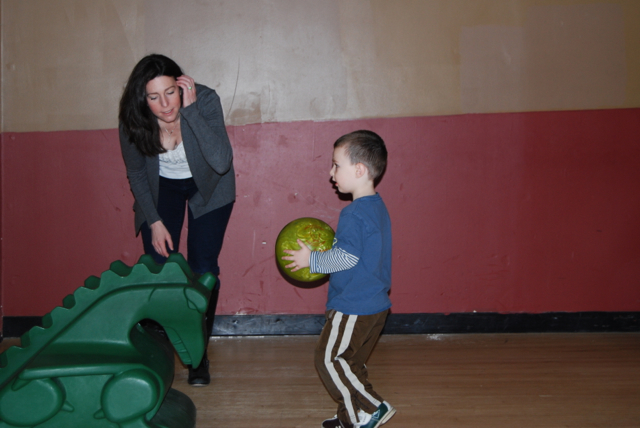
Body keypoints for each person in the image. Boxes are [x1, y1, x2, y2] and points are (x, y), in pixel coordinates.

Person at [118, 54, 235, 386]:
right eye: (153, 97)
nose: (164, 104)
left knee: (204, 267)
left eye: (170, 92)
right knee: (159, 265)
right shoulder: (132, 117)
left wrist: (191, 112)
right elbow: (137, 174)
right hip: (161, 189)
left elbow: (222, 161)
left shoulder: (205, 99)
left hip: (210, 186)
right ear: (142, 98)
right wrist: (153, 220)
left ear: (181, 85)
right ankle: (159, 351)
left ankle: (198, 356)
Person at [282, 130, 395, 428]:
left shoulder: (354, 213)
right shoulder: (377, 208)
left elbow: (346, 258)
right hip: (376, 305)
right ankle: (350, 418)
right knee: (351, 363)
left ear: (359, 170)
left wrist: (312, 260)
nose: (331, 173)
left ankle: (372, 407)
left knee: (328, 359)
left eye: (336, 165)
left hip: (353, 306)